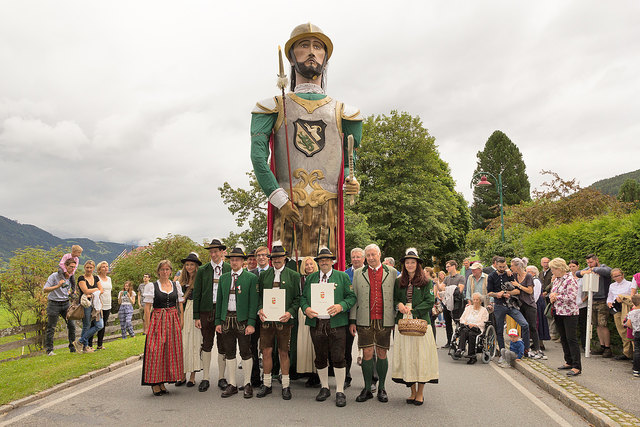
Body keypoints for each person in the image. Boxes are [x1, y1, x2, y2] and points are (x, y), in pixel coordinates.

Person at [251, 23, 361, 263]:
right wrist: (279, 200)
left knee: (326, 285)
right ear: (291, 57)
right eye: (304, 45)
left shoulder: (345, 112)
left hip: (327, 209)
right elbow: (259, 159)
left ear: (325, 57)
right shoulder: (271, 107)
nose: (312, 51)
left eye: (318, 46)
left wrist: (351, 179)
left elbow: (349, 159)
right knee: (284, 282)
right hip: (287, 206)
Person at [301, 247, 356, 407]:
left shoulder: (342, 277)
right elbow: (303, 298)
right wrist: (306, 309)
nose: (324, 262)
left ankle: (340, 390)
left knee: (339, 357)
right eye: (321, 260)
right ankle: (324, 387)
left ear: (332, 261)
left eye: (327, 259)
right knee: (320, 357)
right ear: (318, 262)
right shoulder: (311, 278)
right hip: (317, 323)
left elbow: (351, 297)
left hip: (337, 323)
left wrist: (341, 306)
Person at [350, 244, 396, 404]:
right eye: (367, 255)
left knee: (382, 354)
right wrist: (352, 320)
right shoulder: (357, 273)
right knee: (367, 354)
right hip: (364, 319)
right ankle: (367, 388)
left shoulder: (392, 272)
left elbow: (397, 296)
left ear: (379, 255)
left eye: (373, 255)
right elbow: (354, 298)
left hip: (385, 319)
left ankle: (382, 387)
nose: (370, 258)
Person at [392, 248, 438, 405]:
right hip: (403, 322)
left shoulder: (426, 282)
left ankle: (420, 392)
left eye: (413, 262)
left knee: (421, 358)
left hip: (421, 323)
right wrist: (399, 305)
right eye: (407, 262)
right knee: (407, 357)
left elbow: (429, 301)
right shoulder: (399, 282)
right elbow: (394, 299)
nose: (410, 265)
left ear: (417, 264)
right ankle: (412, 391)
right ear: (404, 265)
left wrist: (414, 309)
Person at [256, 241, 300, 400]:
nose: (276, 260)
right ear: (271, 259)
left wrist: (290, 312)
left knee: (283, 352)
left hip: (284, 320)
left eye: (279, 257)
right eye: (274, 257)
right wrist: (260, 308)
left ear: (284, 258)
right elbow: (259, 297)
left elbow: (297, 299)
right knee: (266, 351)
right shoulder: (264, 275)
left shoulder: (293, 276)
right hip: (267, 320)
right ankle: (266, 384)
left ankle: (286, 385)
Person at [214, 246, 259, 398]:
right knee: (229, 352)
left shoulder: (251, 278)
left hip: (243, 320)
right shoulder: (224, 278)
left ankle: (247, 383)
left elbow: (254, 302)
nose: (234, 262)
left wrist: (252, 323)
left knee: (246, 352)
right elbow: (219, 301)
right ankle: (232, 384)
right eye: (232, 260)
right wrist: (218, 321)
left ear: (242, 262)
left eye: (237, 260)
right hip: (226, 319)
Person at [141, 260, 184, 395]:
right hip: (157, 319)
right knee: (156, 350)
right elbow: (147, 308)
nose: (165, 272)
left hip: (172, 319)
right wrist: (147, 327)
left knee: (169, 351)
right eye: (162, 269)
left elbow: (180, 304)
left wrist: (181, 320)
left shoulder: (176, 285)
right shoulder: (152, 286)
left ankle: (163, 381)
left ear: (171, 271)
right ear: (158, 271)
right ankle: (155, 382)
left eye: (167, 269)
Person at [192, 238, 230, 392]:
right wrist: (196, 316)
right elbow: (197, 293)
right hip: (206, 311)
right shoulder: (203, 270)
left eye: (216, 251)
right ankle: (205, 378)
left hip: (223, 311)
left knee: (223, 345)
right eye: (211, 251)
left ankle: (221, 377)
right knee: (207, 344)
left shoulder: (228, 268)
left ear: (222, 252)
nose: (214, 254)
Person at [486, 257, 529, 360]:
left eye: (504, 266)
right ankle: (502, 353)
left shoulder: (510, 274)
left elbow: (518, 291)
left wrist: (507, 293)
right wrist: (498, 294)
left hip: (511, 305)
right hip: (499, 306)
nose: (502, 268)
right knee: (499, 330)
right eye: (500, 266)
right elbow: (489, 292)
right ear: (495, 265)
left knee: (525, 324)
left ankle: (525, 349)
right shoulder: (491, 276)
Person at [549, 257, 581, 376]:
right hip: (559, 311)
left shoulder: (570, 280)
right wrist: (552, 296)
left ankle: (577, 366)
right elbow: (553, 292)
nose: (552, 271)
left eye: (553, 269)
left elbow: (572, 297)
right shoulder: (557, 279)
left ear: (560, 268)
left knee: (571, 338)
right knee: (563, 337)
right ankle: (569, 361)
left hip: (570, 313)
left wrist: (557, 297)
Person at [576, 254, 613, 357]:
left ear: (597, 260)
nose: (589, 264)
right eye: (588, 263)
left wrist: (593, 270)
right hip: (592, 300)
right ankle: (602, 346)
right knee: (596, 324)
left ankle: (607, 347)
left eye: (591, 262)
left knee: (603, 324)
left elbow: (608, 271)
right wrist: (586, 271)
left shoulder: (603, 268)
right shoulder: (589, 268)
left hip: (602, 300)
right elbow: (578, 273)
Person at [176, 252, 203, 387]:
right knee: (183, 343)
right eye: (187, 264)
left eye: (192, 264)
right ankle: (182, 375)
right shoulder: (180, 281)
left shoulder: (199, 279)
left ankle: (192, 376)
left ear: (196, 266)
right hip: (182, 313)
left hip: (194, 312)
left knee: (194, 343)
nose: (189, 267)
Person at [43, 258, 77, 355]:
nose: (72, 269)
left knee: (72, 325)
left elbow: (68, 290)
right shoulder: (54, 276)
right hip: (53, 303)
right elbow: (45, 290)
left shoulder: (70, 277)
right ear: (65, 267)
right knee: (51, 327)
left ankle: (72, 348)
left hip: (66, 303)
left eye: (74, 267)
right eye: (71, 267)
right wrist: (57, 286)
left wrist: (72, 293)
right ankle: (49, 350)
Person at [249, 245, 271, 387]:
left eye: (264, 255)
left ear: (268, 257)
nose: (261, 257)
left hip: (271, 316)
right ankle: (254, 377)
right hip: (254, 317)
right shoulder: (251, 274)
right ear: (256, 258)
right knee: (252, 348)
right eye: (259, 255)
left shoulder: (274, 272)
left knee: (269, 348)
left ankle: (270, 377)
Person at [510, 257, 540, 358]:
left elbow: (530, 291)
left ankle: (537, 348)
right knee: (523, 326)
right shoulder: (514, 275)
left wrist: (518, 285)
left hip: (529, 305)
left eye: (512, 266)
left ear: (518, 266)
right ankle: (524, 347)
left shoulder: (528, 276)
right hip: (520, 304)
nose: (511, 267)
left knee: (532, 326)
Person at [343, 247, 364, 388]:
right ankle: (345, 377)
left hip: (364, 316)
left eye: (358, 257)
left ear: (363, 259)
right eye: (353, 257)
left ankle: (372, 380)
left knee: (369, 349)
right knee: (345, 349)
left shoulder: (369, 273)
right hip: (347, 316)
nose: (355, 259)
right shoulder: (344, 274)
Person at [297, 256, 320, 388]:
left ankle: (317, 373)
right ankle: (308, 372)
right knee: (305, 344)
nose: (309, 267)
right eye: (307, 265)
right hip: (304, 313)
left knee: (315, 344)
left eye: (311, 264)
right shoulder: (300, 280)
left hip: (318, 313)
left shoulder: (319, 278)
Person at [73, 260, 104, 353]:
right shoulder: (81, 278)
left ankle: (80, 342)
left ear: (93, 268)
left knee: (99, 325)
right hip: (86, 304)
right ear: (84, 268)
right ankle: (85, 347)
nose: (89, 269)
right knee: (86, 325)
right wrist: (95, 290)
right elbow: (85, 291)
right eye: (87, 267)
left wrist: (92, 293)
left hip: (96, 304)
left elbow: (101, 290)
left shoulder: (96, 278)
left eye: (91, 268)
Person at [607, 268, 636, 361]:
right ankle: (626, 352)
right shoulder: (612, 285)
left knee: (629, 331)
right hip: (616, 309)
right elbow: (609, 297)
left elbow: (634, 297)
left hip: (626, 308)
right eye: (614, 276)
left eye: (618, 276)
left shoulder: (629, 285)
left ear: (622, 275)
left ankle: (634, 354)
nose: (616, 278)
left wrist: (622, 298)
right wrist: (609, 303)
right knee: (621, 331)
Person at [457, 292, 490, 364]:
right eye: (474, 300)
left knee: (471, 334)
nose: (475, 301)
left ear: (480, 301)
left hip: (476, 328)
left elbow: (484, 321)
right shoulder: (468, 308)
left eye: (477, 300)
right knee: (464, 331)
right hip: (467, 326)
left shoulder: (484, 310)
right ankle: (460, 349)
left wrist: (475, 325)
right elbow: (462, 318)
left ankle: (472, 355)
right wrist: (465, 323)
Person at [441, 260, 465, 348]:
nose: (447, 268)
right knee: (447, 323)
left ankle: (458, 342)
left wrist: (447, 289)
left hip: (457, 303)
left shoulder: (461, 277)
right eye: (446, 267)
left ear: (454, 266)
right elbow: (441, 288)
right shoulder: (447, 278)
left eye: (448, 266)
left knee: (458, 322)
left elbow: (459, 290)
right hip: (447, 303)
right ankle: (449, 341)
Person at [89, 261, 112, 350]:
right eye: (103, 267)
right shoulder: (96, 278)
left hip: (108, 304)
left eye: (107, 266)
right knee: (94, 324)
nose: (106, 268)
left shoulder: (109, 279)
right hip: (98, 305)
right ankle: (89, 344)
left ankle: (100, 344)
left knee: (103, 325)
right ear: (99, 269)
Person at [527, 265, 549, 358]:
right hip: (535, 304)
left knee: (537, 323)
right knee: (535, 323)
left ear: (533, 273)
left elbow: (535, 295)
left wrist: (532, 305)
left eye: (528, 271)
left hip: (537, 304)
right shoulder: (532, 280)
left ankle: (540, 343)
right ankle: (537, 342)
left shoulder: (536, 281)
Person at [569, 260, 588, 351]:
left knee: (582, 325)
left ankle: (585, 345)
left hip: (581, 305)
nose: (572, 268)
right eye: (570, 266)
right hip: (570, 306)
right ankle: (573, 346)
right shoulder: (568, 277)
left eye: (573, 266)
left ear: (578, 267)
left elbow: (588, 291)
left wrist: (582, 300)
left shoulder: (583, 277)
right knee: (572, 326)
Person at [623, 294, 640, 377]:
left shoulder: (631, 313)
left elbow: (628, 323)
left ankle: (636, 369)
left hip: (636, 332)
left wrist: (634, 327)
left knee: (637, 351)